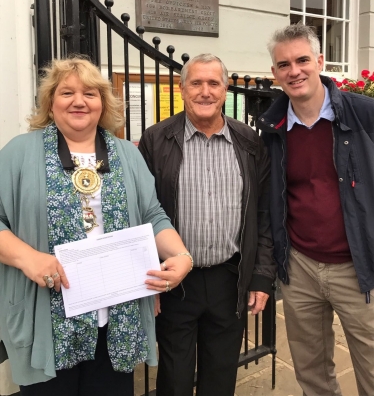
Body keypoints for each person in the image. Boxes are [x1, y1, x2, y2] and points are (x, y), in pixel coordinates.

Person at [0, 57, 193, 396]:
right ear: (50, 102)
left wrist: (181, 255)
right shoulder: (19, 153)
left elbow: (152, 214)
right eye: (67, 92)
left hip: (115, 319)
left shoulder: (127, 155)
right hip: (48, 318)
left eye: (90, 93)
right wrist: (28, 258)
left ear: (102, 103)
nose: (79, 101)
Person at [138, 53, 276, 396]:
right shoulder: (157, 140)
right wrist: (145, 276)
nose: (205, 91)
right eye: (196, 83)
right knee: (174, 376)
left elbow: (263, 215)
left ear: (225, 89)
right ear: (182, 90)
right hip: (174, 281)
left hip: (229, 278)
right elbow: (140, 212)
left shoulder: (249, 142)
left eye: (213, 83)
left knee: (221, 373)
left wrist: (260, 276)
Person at [257, 23, 374, 396]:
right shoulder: (272, 129)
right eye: (284, 64)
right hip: (301, 267)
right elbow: (271, 201)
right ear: (274, 73)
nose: (295, 71)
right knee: (312, 375)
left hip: (359, 269)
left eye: (303, 60)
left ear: (320, 61)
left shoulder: (363, 115)